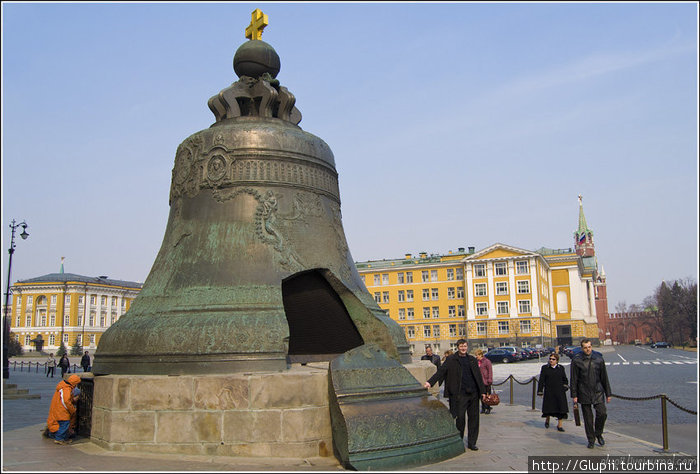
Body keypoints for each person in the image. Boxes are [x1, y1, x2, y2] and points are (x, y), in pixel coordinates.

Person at [424, 339, 487, 451]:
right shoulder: (451, 360)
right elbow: (441, 372)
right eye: (461, 346)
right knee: (460, 419)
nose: (463, 348)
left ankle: (472, 443)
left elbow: (478, 377)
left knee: (474, 419)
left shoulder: (472, 359)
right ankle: (459, 440)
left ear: (467, 347)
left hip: (473, 394)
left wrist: (482, 392)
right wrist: (430, 382)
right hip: (459, 394)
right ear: (457, 347)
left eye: (465, 346)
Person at [570, 338, 612, 449]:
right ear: (582, 348)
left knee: (602, 413)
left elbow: (604, 377)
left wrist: (608, 393)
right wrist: (574, 395)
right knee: (588, 418)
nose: (587, 349)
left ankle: (598, 433)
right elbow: (573, 379)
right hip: (583, 391)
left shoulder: (598, 359)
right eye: (585, 347)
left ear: (591, 347)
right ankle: (591, 439)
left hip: (597, 391)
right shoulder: (576, 360)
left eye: (589, 347)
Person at [45, 374, 81, 445]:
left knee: (64, 425)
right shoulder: (66, 389)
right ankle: (59, 439)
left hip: (59, 412)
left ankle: (61, 438)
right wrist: (72, 409)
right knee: (64, 425)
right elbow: (66, 401)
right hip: (62, 412)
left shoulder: (63, 387)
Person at [538, 352, 568, 431]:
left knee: (560, 409)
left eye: (553, 359)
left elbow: (564, 379)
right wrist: (540, 391)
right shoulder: (545, 368)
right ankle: (547, 419)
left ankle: (560, 425)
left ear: (557, 361)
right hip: (549, 392)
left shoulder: (561, 368)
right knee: (549, 408)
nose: (551, 360)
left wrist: (565, 387)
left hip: (559, 392)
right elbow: (541, 380)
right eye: (550, 359)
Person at [475, 349, 493, 414]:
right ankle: (483, 408)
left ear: (480, 355)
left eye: (477, 355)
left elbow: (490, 371)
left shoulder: (487, 361)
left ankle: (488, 408)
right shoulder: (477, 362)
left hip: (486, 381)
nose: (476, 357)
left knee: (487, 395)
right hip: (480, 382)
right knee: (481, 396)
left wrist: (489, 379)